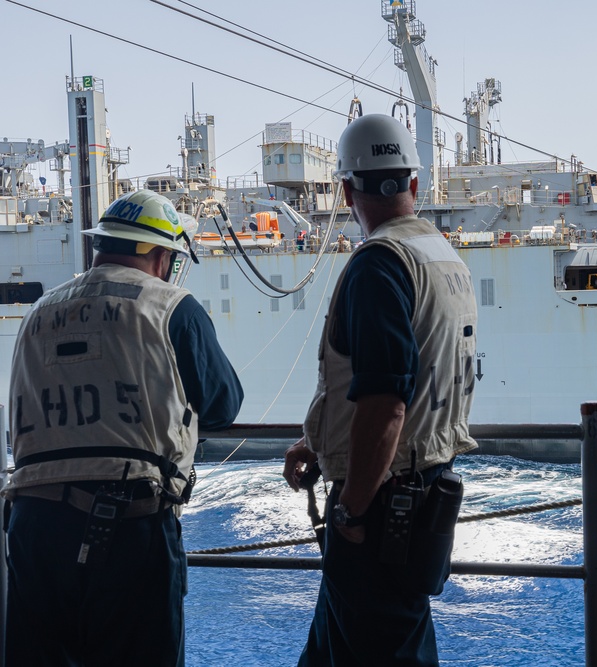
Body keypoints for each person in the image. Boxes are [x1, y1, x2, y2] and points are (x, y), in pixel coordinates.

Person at [3, 189, 244, 666]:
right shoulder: (172, 306)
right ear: (160, 255)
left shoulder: (38, 313)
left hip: (32, 525)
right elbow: (222, 404)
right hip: (127, 526)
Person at [282, 114, 478, 666]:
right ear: (413, 183)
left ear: (347, 190)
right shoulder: (443, 257)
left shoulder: (379, 265)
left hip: (380, 509)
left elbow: (388, 404)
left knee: (380, 647)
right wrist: (320, 444)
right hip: (423, 493)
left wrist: (351, 511)